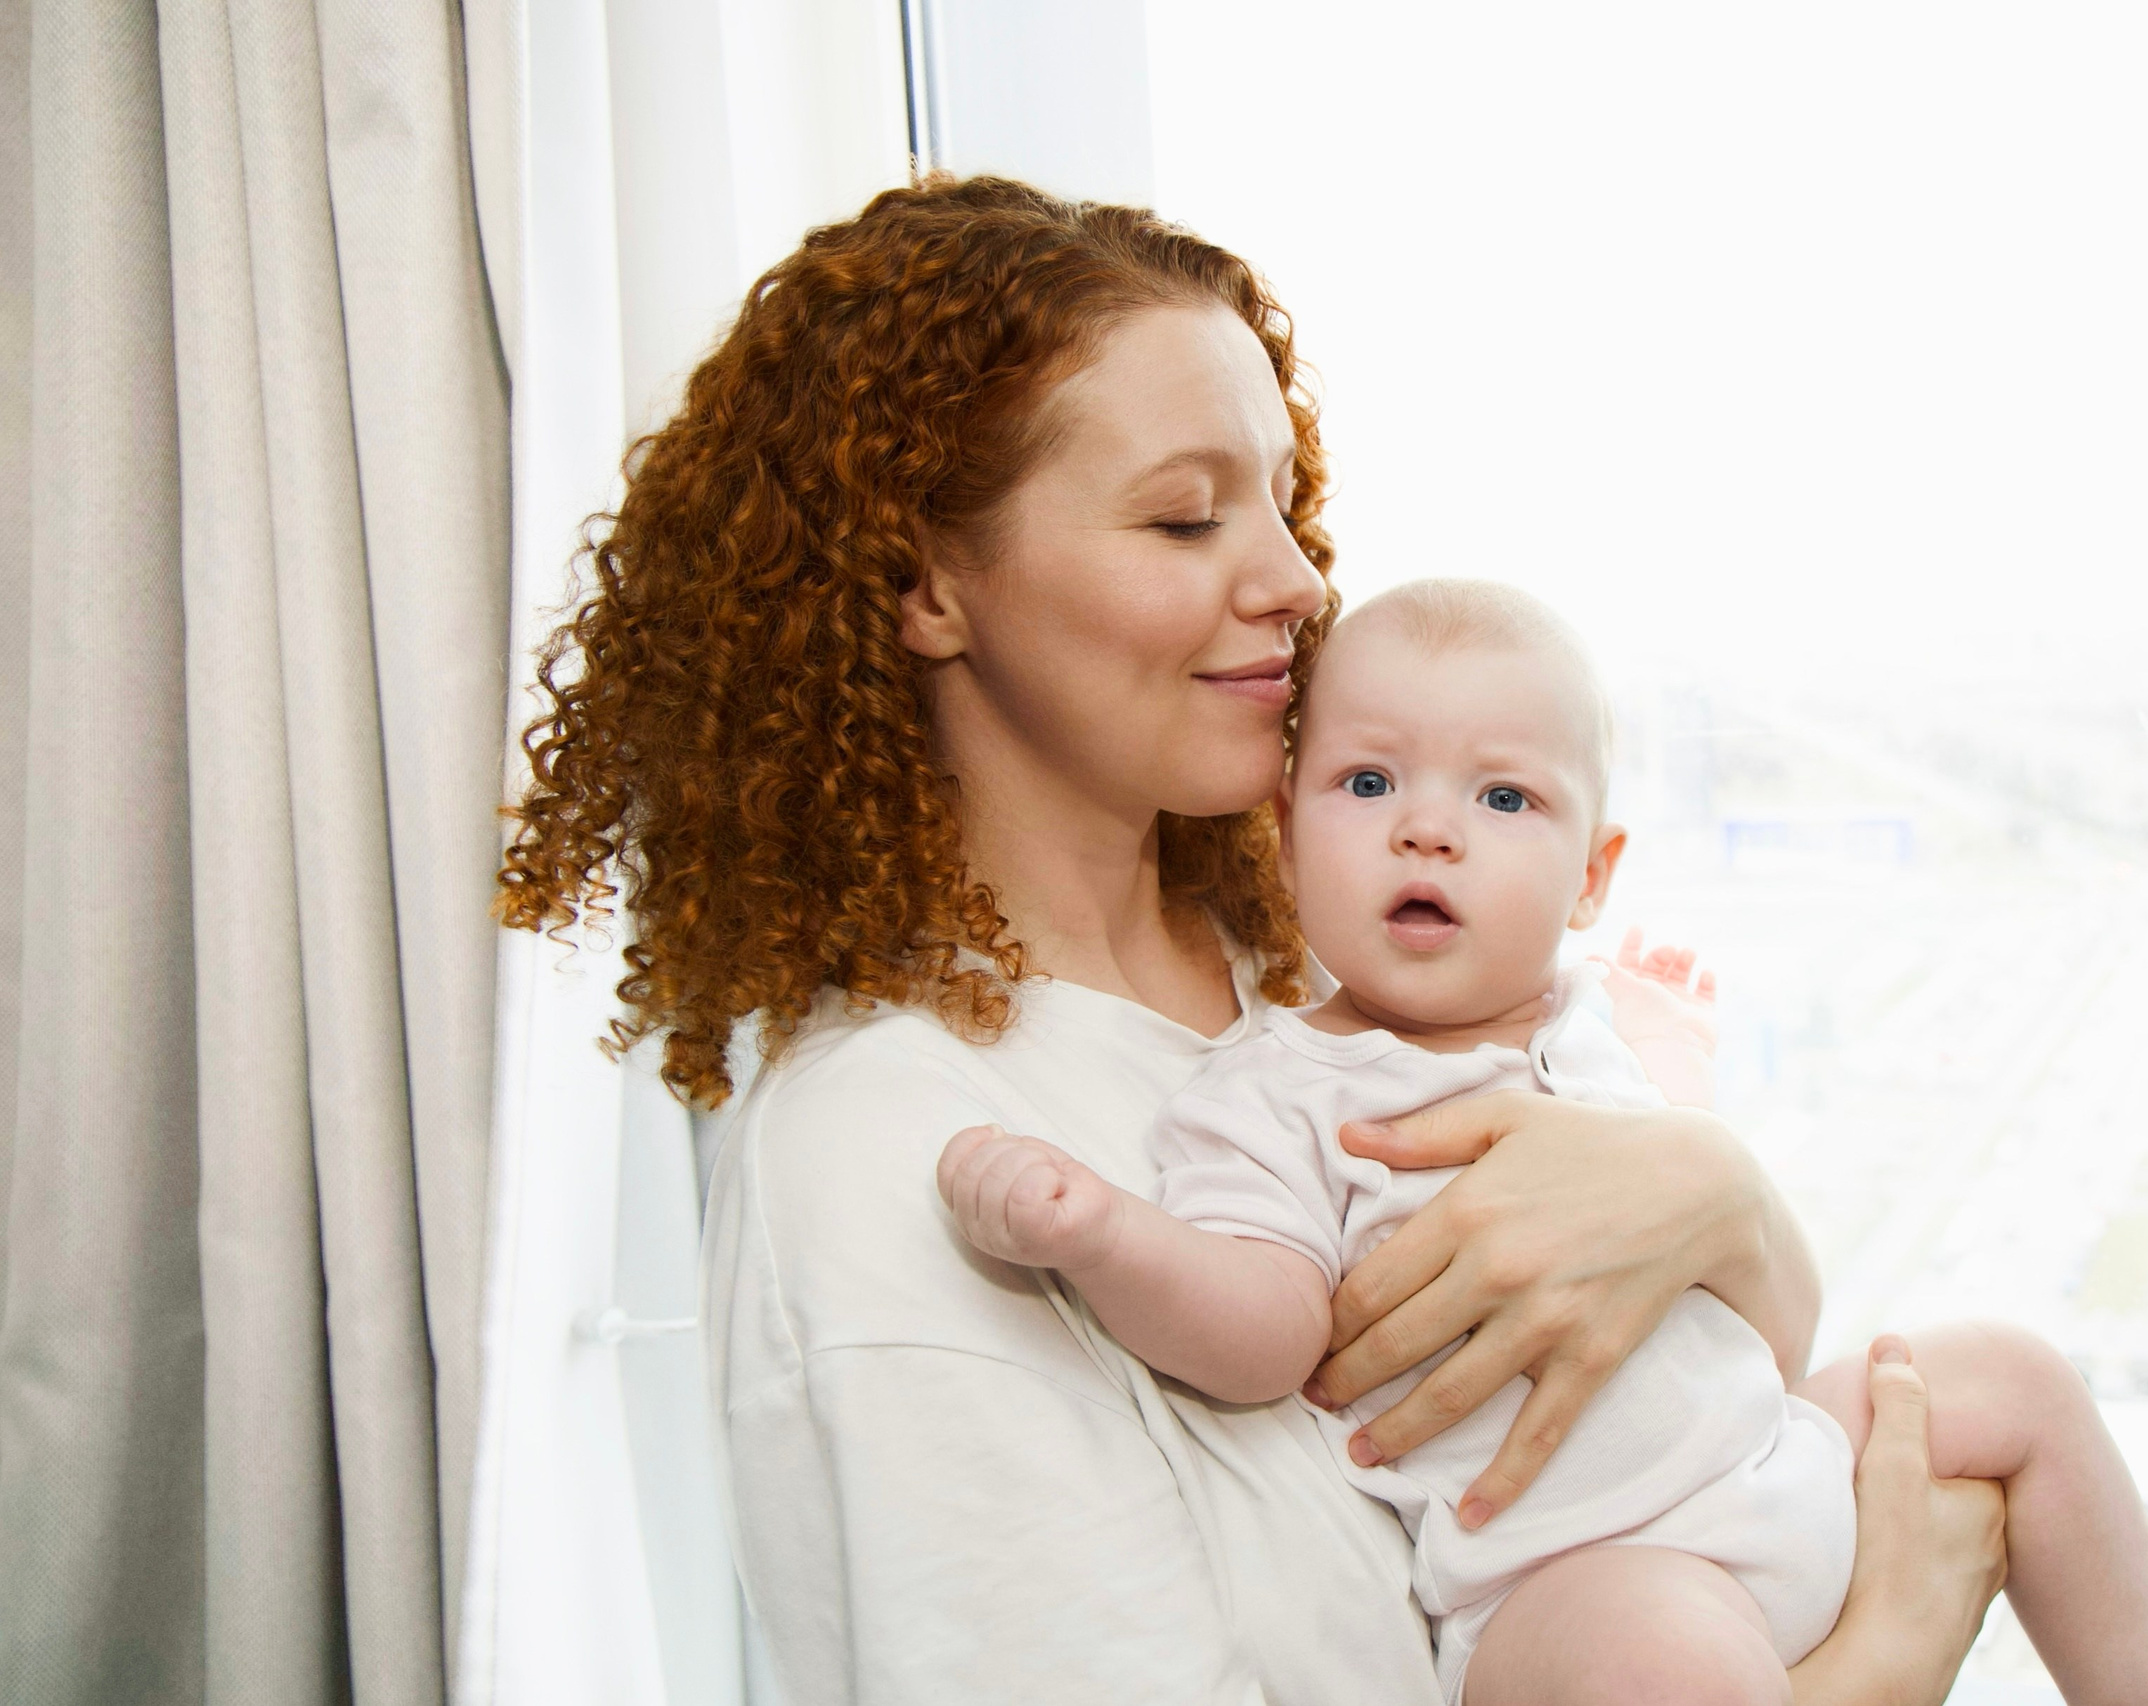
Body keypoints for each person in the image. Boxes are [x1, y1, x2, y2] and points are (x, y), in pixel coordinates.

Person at [499, 174, 2007, 1706]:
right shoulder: (897, 1158)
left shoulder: (1322, 955)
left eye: (1282, 501)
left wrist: (1719, 1194)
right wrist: (1881, 1660)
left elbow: (1713, 1373)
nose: (1296, 583)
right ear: (921, 585)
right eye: (1184, 513)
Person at [937, 579, 2148, 1706]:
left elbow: (1677, 1157)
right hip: (1568, 1581)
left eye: (1502, 798)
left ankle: (2146, 1681)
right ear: (1286, 825)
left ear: (1592, 876)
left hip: (1772, 1461)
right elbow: (1265, 1327)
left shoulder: (1589, 1010)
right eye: (1369, 784)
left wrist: (1670, 1055)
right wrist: (1108, 1235)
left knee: (2014, 1372)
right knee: (1677, 1675)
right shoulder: (1274, 1090)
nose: (1427, 832)